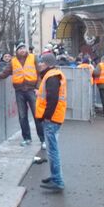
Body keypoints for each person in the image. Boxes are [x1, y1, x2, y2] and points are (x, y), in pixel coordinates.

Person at [0, 42, 44, 148]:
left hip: (32, 90)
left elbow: (39, 73)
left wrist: (37, 88)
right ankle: (27, 138)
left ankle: (43, 139)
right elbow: (6, 72)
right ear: (17, 51)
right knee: (22, 116)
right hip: (19, 91)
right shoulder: (13, 61)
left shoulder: (33, 58)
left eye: (24, 48)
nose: (22, 50)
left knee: (37, 115)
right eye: (20, 48)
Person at [35, 53, 67, 192]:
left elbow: (52, 99)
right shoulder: (53, 74)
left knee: (52, 151)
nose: (39, 64)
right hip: (55, 117)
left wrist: (46, 116)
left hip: (51, 119)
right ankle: (55, 176)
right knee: (52, 150)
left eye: (41, 62)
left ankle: (57, 181)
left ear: (47, 64)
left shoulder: (52, 76)